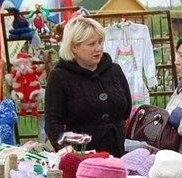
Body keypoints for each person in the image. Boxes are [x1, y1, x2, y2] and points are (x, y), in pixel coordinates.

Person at [44, 15, 131, 155]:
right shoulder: (60, 76)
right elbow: (52, 120)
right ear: (74, 47)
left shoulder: (114, 70)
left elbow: (126, 110)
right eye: (92, 44)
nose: (98, 48)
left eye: (100, 42)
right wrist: (65, 149)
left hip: (117, 153)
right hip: (82, 156)